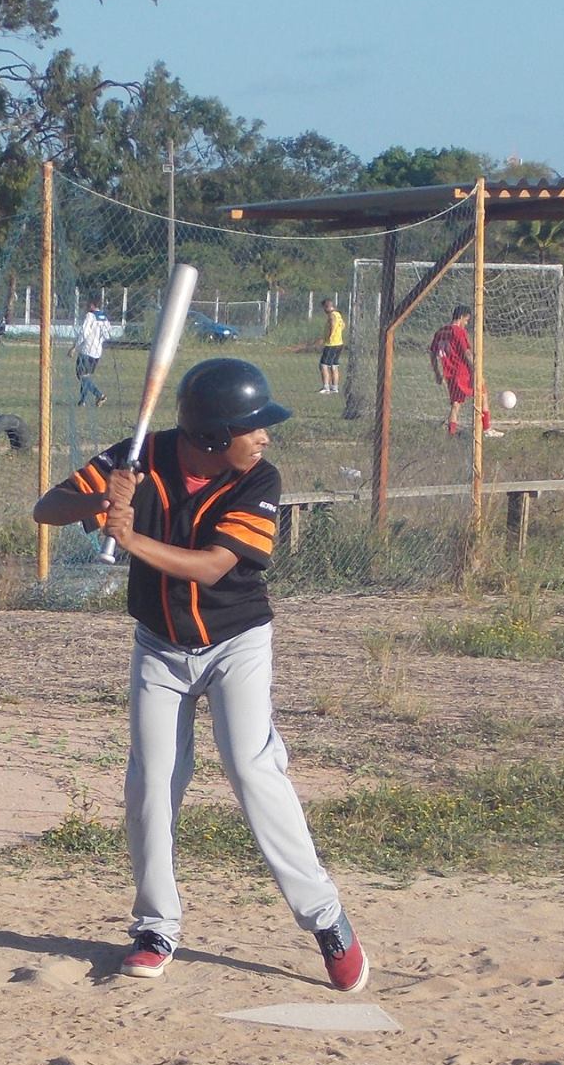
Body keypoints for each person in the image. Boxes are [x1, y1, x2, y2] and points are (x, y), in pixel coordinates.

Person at [30, 359, 370, 993]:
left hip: (236, 643)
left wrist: (129, 541)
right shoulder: (142, 456)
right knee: (149, 782)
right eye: (253, 426)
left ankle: (326, 919)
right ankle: (156, 927)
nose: (265, 436)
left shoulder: (258, 478)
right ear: (214, 435)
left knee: (250, 767)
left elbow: (212, 566)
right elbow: (46, 508)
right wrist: (103, 499)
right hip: (159, 646)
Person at [430, 305, 501, 438]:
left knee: (456, 404)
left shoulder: (440, 332)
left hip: (450, 374)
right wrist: (476, 371)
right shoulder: (458, 332)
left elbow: (433, 354)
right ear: (461, 317)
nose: (466, 323)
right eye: (466, 320)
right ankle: (487, 429)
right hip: (464, 373)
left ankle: (451, 434)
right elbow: (467, 353)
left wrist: (437, 373)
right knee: (483, 395)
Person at [75, 304, 111, 406]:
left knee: (81, 375)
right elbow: (107, 335)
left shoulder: (90, 316)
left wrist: (75, 346)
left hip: (87, 350)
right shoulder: (104, 317)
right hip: (97, 352)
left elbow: (84, 333)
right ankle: (82, 401)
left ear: (91, 304)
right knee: (86, 376)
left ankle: (99, 395)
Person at [318, 297, 346, 395]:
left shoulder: (332, 315)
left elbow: (333, 326)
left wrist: (329, 337)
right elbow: (343, 325)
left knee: (324, 365)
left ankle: (326, 387)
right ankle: (335, 388)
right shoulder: (338, 314)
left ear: (327, 307)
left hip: (331, 344)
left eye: (324, 308)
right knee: (334, 365)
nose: (324, 311)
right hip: (339, 343)